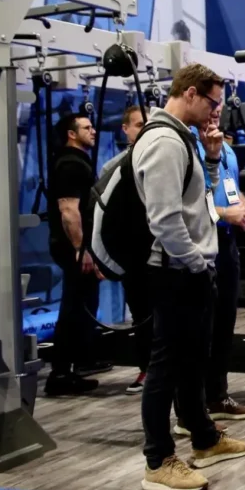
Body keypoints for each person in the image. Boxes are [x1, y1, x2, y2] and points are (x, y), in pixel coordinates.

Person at [135, 63, 245, 490]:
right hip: (175, 271)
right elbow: (165, 220)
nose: (214, 110)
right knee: (164, 367)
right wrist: (197, 264)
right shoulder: (164, 142)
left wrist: (215, 156)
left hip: (190, 268)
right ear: (189, 94)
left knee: (191, 361)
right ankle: (158, 460)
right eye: (211, 101)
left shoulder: (183, 138)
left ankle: (203, 438)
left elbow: (199, 201)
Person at [188, 110, 245, 422]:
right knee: (200, 329)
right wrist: (223, 214)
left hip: (227, 244)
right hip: (201, 239)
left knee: (225, 325)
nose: (215, 112)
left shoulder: (225, 148)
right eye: (210, 105)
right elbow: (191, 203)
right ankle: (194, 406)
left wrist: (243, 204)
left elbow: (230, 187)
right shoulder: (187, 145)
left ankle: (217, 396)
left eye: (218, 107)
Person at [45, 113, 109, 396]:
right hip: (73, 247)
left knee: (83, 304)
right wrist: (80, 249)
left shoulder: (78, 161)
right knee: (73, 307)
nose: (93, 131)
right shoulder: (70, 164)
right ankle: (60, 374)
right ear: (72, 134)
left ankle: (76, 365)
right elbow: (69, 211)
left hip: (79, 246)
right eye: (86, 128)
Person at [102, 106, 154, 395]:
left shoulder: (162, 160)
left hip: (164, 253)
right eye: (137, 125)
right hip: (134, 259)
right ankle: (146, 370)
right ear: (126, 129)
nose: (143, 129)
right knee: (142, 316)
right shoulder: (112, 168)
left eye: (146, 124)